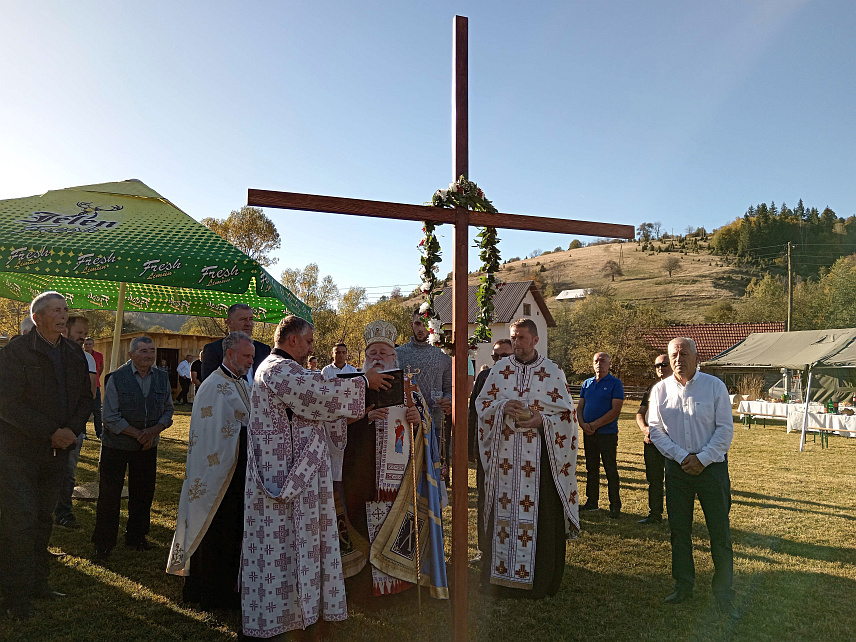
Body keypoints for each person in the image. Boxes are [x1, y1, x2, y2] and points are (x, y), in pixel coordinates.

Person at [240, 315, 392, 639]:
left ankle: (301, 614)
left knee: (299, 549)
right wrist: (365, 382)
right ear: (292, 340)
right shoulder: (277, 369)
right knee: (281, 551)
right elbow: (319, 395)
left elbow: (316, 409)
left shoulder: (282, 369)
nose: (311, 348)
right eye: (308, 341)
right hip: (284, 482)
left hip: (298, 479)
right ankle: (283, 619)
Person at [339, 320, 448, 601]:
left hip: (399, 481)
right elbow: (335, 426)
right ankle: (364, 586)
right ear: (364, 358)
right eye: (371, 352)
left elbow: (425, 430)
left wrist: (418, 421)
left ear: (394, 358)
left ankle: (400, 586)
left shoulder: (409, 387)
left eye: (383, 353)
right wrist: (363, 417)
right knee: (361, 525)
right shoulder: (353, 386)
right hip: (361, 475)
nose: (377, 357)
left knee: (399, 524)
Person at [0, 291, 91, 620]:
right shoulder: (15, 352)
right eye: (55, 310)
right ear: (37, 318)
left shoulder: (73, 352)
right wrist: (50, 431)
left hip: (58, 451)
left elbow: (85, 396)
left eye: (65, 310)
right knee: (19, 523)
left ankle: (39, 583)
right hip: (19, 454)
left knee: (43, 519)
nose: (63, 315)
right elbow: (8, 405)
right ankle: (14, 596)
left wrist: (71, 430)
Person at [475, 318, 579, 599]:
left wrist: (541, 420)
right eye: (513, 337)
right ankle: (500, 580)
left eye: (522, 338)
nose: (517, 343)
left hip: (541, 463)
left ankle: (539, 582)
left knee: (542, 516)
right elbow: (482, 406)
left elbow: (567, 416)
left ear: (535, 340)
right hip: (505, 464)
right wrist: (501, 406)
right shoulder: (499, 370)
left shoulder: (552, 371)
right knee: (502, 516)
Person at [647, 337, 737, 617]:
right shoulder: (660, 391)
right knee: (679, 531)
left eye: (684, 353)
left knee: (719, 533)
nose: (678, 359)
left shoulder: (714, 387)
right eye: (673, 354)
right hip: (677, 470)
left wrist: (702, 458)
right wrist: (681, 456)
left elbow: (724, 430)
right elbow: (655, 429)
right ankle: (683, 585)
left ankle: (723, 593)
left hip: (711, 470)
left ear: (697, 357)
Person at [167, 332, 255, 610]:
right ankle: (208, 592)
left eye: (252, 357)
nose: (251, 362)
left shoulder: (238, 383)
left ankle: (225, 588)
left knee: (230, 533)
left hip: (236, 472)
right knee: (213, 530)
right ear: (230, 354)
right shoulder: (213, 386)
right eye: (247, 356)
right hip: (216, 474)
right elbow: (212, 434)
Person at [92, 336, 174, 561]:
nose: (149, 355)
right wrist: (139, 434)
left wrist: (155, 430)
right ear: (131, 355)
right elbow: (109, 417)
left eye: (152, 350)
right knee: (110, 495)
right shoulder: (116, 378)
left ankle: (136, 536)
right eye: (143, 351)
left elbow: (168, 411)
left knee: (143, 493)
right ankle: (104, 543)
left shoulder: (162, 378)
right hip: (116, 446)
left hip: (147, 447)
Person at [467, 338, 513, 564]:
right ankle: (484, 549)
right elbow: (474, 412)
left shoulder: (521, 377)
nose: (499, 360)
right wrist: (471, 448)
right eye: (496, 356)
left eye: (504, 356)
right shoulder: (484, 377)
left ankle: (509, 548)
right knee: (485, 499)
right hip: (488, 449)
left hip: (514, 451)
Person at [53, 316, 98, 530]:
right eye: (80, 332)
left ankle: (63, 513)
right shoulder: (52, 354)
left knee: (68, 472)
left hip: (74, 427)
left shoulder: (86, 358)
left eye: (85, 333)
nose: (84, 337)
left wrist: (74, 426)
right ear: (65, 331)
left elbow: (89, 393)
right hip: (49, 427)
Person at [396, 312, 452, 476]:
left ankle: (431, 502)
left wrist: (447, 399)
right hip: (406, 420)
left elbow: (449, 387)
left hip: (433, 419)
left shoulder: (443, 356)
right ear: (411, 325)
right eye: (417, 324)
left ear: (433, 327)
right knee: (406, 471)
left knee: (431, 470)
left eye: (425, 324)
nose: (421, 329)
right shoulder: (399, 354)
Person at [577, 352, 625, 519]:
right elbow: (580, 406)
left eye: (603, 361)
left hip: (607, 434)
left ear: (609, 364)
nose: (599, 363)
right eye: (596, 361)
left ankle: (615, 505)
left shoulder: (615, 383)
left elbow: (615, 410)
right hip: (589, 433)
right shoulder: (587, 383)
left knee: (610, 469)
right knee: (591, 468)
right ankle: (592, 501)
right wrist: (583, 424)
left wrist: (595, 425)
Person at [636, 353, 672, 525]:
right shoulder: (652, 388)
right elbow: (640, 413)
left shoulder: (679, 387)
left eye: (664, 365)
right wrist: (645, 429)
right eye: (657, 366)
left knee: (674, 481)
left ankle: (676, 516)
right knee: (654, 480)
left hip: (672, 442)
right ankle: (655, 514)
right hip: (651, 442)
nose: (660, 368)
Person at [200, 303, 271, 384]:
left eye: (251, 319)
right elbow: (210, 384)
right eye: (243, 319)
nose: (248, 324)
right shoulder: (214, 349)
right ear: (229, 323)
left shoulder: (264, 349)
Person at [84, 337, 105, 438]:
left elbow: (101, 368)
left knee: (97, 410)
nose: (87, 346)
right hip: (83, 387)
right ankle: (83, 432)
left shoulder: (99, 355)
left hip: (96, 386)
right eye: (86, 344)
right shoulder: (81, 355)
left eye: (89, 344)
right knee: (83, 411)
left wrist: (95, 379)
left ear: (93, 345)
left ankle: (99, 432)